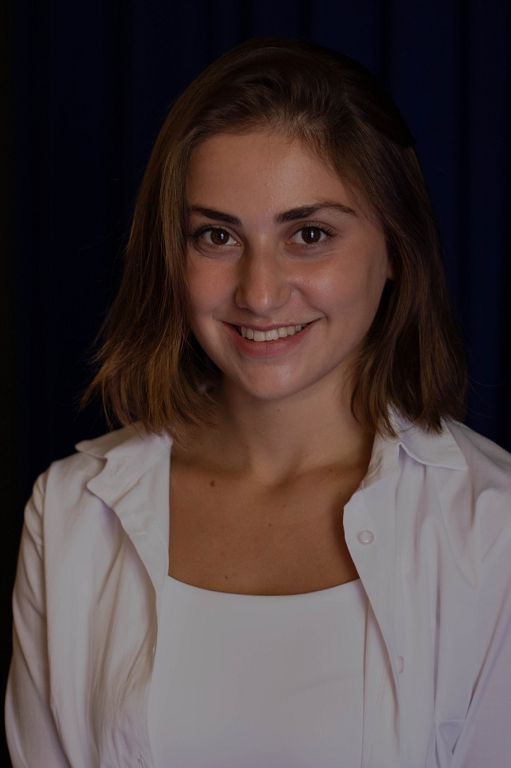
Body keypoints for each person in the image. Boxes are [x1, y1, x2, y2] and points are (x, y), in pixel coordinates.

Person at [5, 37, 511, 768]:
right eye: (216, 236)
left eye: (309, 234)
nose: (260, 292)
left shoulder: (492, 530)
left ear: (397, 248)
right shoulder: (72, 512)